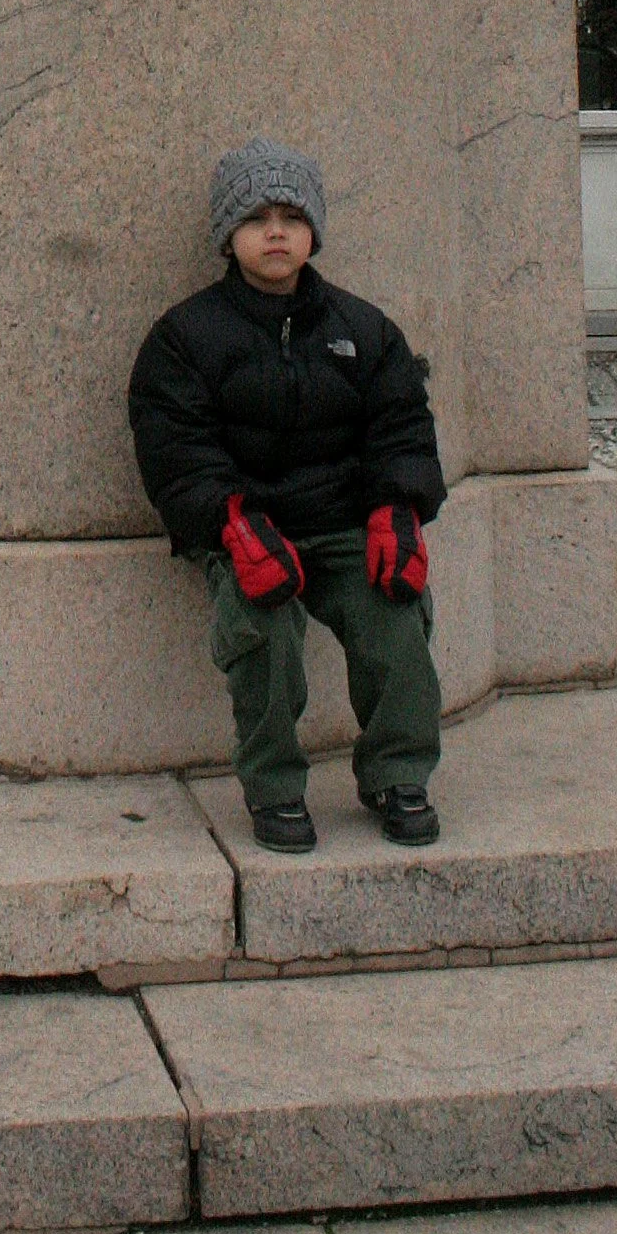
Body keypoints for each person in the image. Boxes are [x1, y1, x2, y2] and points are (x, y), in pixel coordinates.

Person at [127, 137, 446, 853]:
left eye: (292, 215)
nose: (276, 230)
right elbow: (175, 449)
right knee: (261, 629)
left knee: (393, 617)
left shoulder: (363, 329)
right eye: (257, 215)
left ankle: (397, 769)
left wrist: (397, 508)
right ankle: (273, 786)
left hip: (342, 521)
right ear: (227, 233)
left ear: (313, 231)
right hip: (248, 525)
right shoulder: (183, 337)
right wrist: (230, 521)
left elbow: (401, 425)